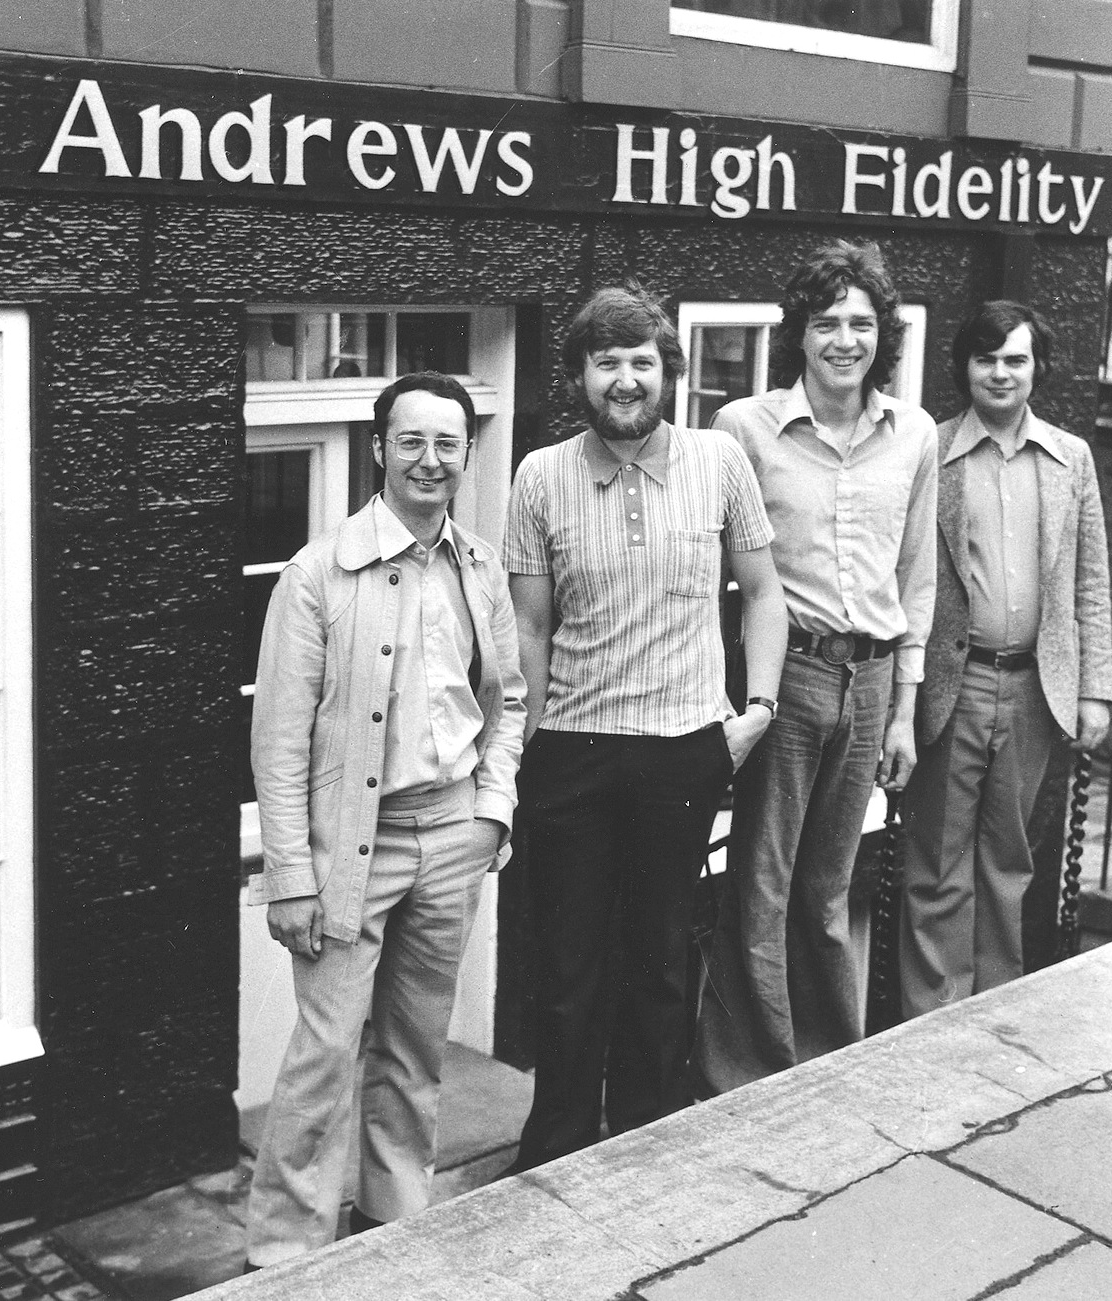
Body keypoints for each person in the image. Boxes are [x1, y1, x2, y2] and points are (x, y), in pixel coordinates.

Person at [244, 371, 526, 1268]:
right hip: (348, 849)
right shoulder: (318, 572)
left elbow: (507, 701)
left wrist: (492, 808)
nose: (429, 460)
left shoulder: (479, 567)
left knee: (413, 1048)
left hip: (451, 835)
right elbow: (279, 741)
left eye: (447, 443)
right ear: (378, 448)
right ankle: (284, 1254)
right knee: (325, 1056)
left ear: (467, 454)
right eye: (411, 440)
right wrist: (289, 872)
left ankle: (396, 1226)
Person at [503, 285, 787, 1168]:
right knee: (570, 962)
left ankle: (644, 1136)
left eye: (640, 361)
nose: (624, 380)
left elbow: (765, 594)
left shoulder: (719, 461)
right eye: (605, 363)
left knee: (662, 956)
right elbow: (530, 630)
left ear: (668, 369)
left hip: (682, 748)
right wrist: (523, 750)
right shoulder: (540, 476)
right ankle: (555, 1142)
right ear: (579, 377)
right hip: (573, 753)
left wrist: (757, 713)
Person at [694, 239, 938, 1096]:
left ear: (883, 335)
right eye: (827, 321)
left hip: (869, 682)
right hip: (786, 679)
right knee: (758, 880)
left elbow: (916, 575)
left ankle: (828, 1062)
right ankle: (746, 1073)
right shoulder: (743, 429)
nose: (844, 338)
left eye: (861, 322)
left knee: (831, 885)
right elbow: (717, 571)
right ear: (799, 332)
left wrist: (904, 708)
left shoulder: (912, 434)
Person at [901, 301, 1112, 1017]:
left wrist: (1094, 690)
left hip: (1031, 692)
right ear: (963, 366)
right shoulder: (929, 451)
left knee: (1007, 862)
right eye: (985, 358)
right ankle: (930, 1024)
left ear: (1036, 369)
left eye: (1014, 359)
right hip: (950, 686)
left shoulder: (1069, 458)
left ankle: (991, 1019)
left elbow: (1089, 582)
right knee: (937, 864)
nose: (999, 372)